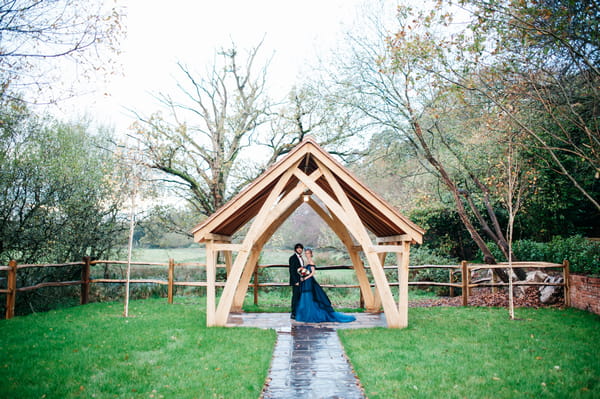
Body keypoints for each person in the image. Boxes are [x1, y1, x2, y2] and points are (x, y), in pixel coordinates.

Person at [295, 247, 356, 323]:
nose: (307, 254)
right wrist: (302, 274)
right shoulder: (307, 262)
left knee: (310, 296)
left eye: (308, 253)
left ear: (311, 254)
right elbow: (306, 271)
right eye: (306, 253)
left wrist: (305, 278)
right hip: (305, 281)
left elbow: (313, 273)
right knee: (305, 296)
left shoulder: (311, 262)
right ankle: (306, 314)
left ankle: (313, 315)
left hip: (309, 281)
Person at [288, 243, 304, 319]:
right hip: (296, 282)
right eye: (298, 248)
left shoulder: (301, 258)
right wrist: (295, 281)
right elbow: (292, 271)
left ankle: (298, 312)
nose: (299, 249)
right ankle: (293, 313)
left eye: (301, 248)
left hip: (301, 280)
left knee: (300, 296)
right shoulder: (292, 258)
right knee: (295, 297)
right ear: (295, 249)